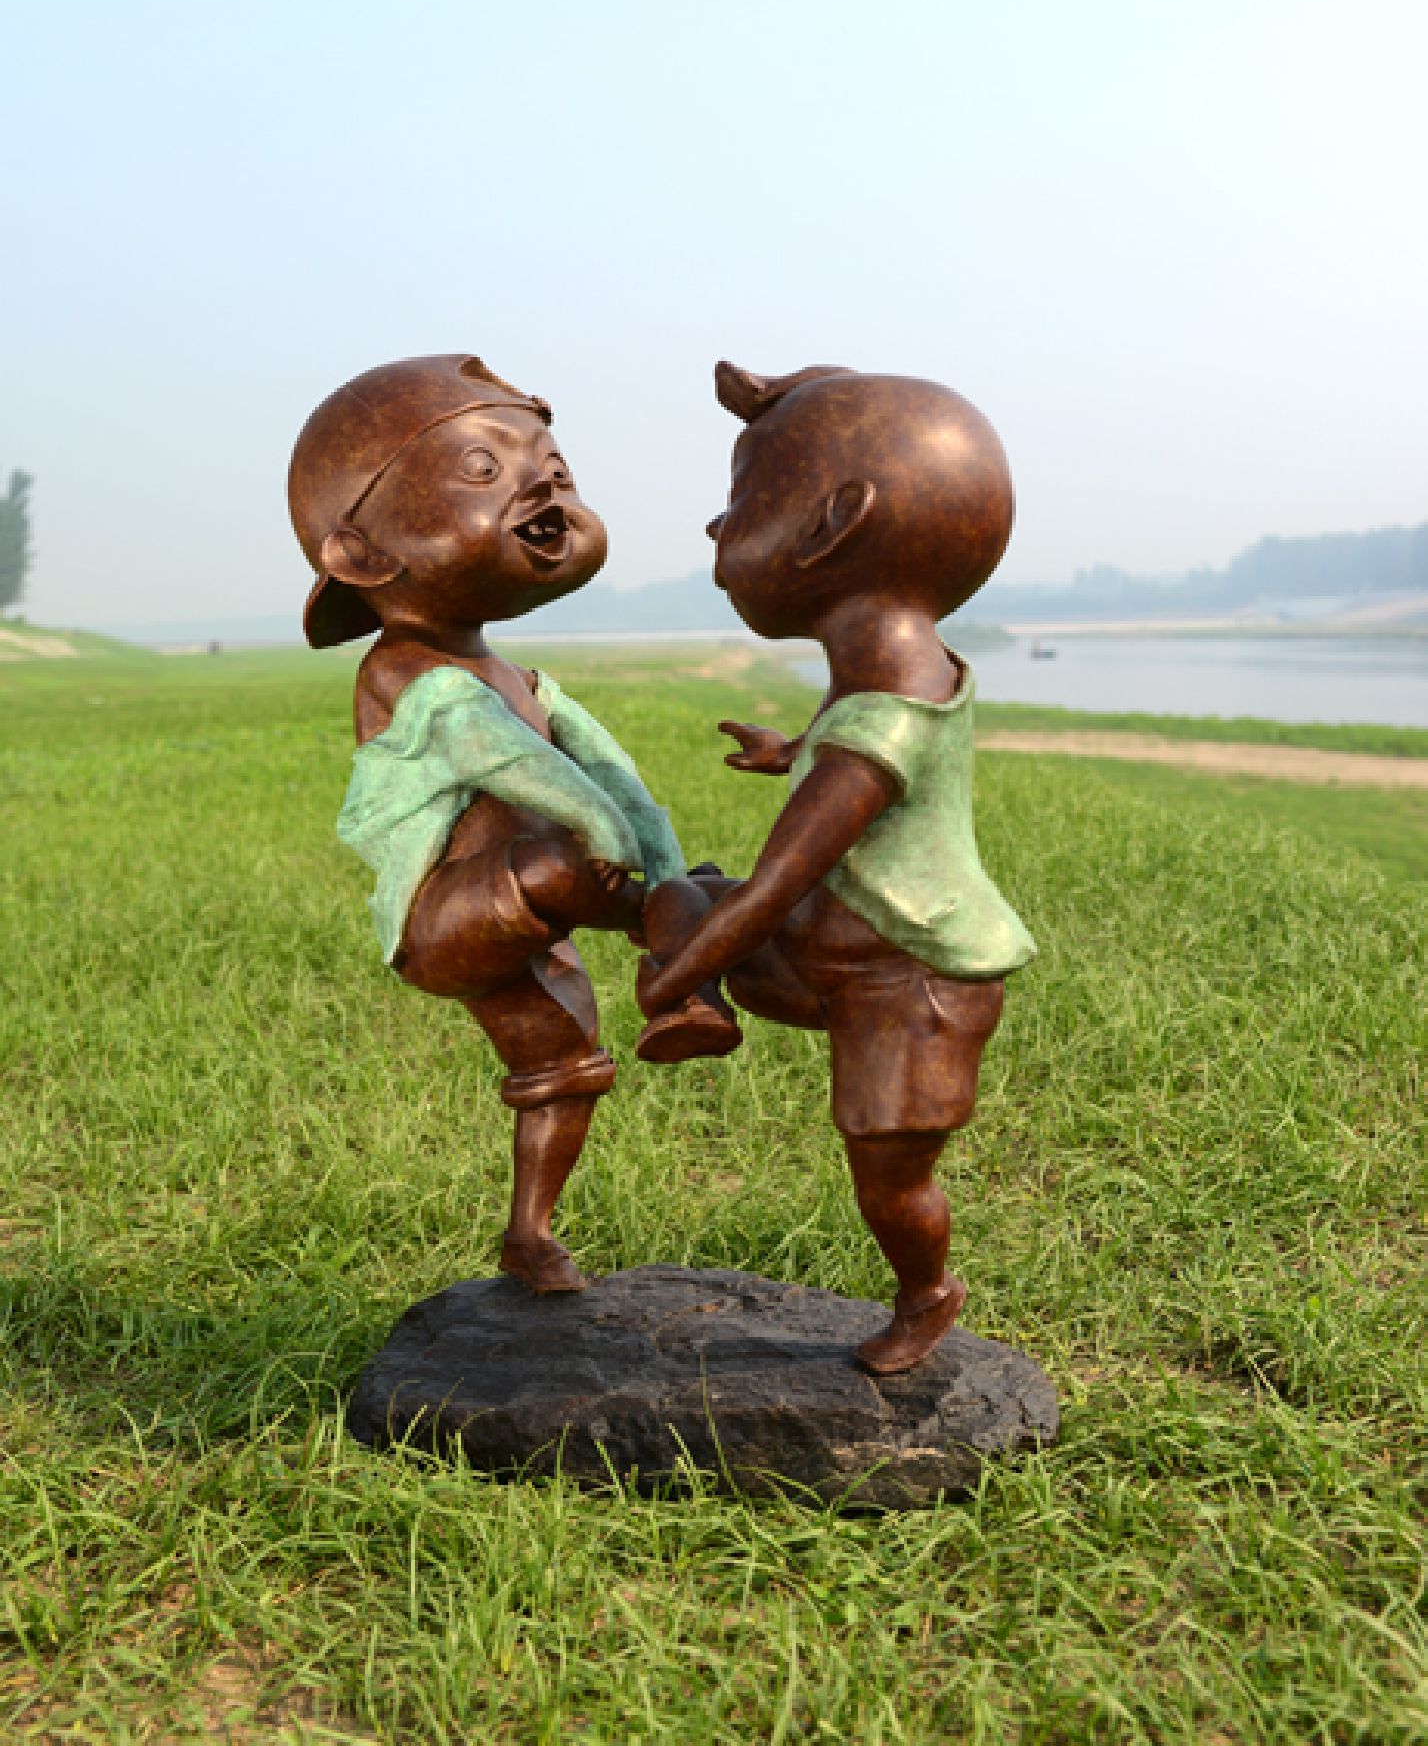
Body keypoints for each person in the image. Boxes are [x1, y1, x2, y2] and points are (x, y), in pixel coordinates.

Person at [288, 353, 733, 1294]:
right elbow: (503, 757)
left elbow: (615, 774)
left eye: (553, 465)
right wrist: (624, 860)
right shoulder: (405, 670)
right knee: (565, 861)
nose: (545, 485)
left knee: (566, 1067)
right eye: (485, 469)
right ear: (360, 555)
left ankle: (530, 1236)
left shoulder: (522, 680)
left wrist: (664, 866)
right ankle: (676, 960)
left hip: (529, 910)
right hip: (448, 916)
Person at [636, 361, 1036, 1372]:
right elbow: (852, 743)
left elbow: (774, 885)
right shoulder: (891, 668)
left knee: (889, 1178)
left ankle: (928, 1293)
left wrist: (668, 978)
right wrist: (794, 751)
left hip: (911, 983)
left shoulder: (877, 725)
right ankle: (701, 1011)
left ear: (831, 524)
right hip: (836, 956)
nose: (717, 528)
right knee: (681, 894)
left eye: (742, 502)